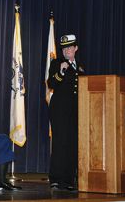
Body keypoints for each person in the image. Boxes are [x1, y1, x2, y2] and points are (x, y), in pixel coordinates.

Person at [47, 34, 84, 191]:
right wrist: (61, 72)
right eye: (64, 48)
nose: (66, 50)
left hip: (76, 111)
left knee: (72, 144)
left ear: (76, 48)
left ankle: (69, 180)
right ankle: (56, 179)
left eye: (70, 47)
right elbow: (51, 83)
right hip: (60, 110)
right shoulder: (57, 63)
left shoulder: (80, 66)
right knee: (60, 143)